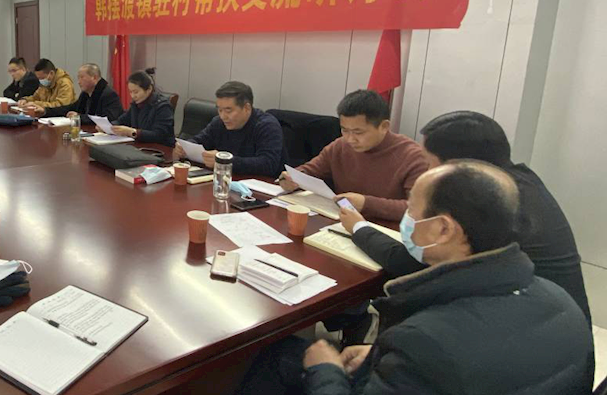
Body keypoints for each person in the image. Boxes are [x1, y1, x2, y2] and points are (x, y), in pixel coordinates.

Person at [163, 161, 592, 395]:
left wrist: (327, 370)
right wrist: (380, 356)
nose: (404, 220)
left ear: (444, 230)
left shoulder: (431, 343)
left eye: (412, 211)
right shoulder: (560, 301)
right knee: (292, 354)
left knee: (298, 363)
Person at [340, 110, 591, 323]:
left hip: (523, 332)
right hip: (555, 326)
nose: (427, 173)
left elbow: (413, 263)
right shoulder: (517, 182)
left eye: (430, 163)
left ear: (459, 167)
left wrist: (360, 228)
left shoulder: (482, 203)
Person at [278, 89, 428, 221]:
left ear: (384, 126)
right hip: (340, 223)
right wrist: (292, 178)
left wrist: (367, 204)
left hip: (386, 231)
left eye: (358, 132)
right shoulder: (340, 146)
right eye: (344, 130)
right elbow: (310, 170)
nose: (350, 139)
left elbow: (420, 210)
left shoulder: (413, 157)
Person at [174, 81, 283, 175]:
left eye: (228, 110)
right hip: (225, 180)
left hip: (261, 186)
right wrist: (184, 148)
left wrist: (225, 161)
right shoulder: (219, 122)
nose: (223, 116)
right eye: (220, 110)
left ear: (247, 108)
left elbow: (268, 164)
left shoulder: (267, 126)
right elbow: (199, 141)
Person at [22, 63, 123, 123]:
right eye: (78, 78)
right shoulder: (85, 94)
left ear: (94, 77)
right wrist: (45, 111)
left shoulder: (108, 95)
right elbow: (69, 108)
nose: (78, 82)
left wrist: (79, 117)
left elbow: (107, 119)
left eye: (82, 77)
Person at [111, 70, 175, 146]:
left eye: (136, 92)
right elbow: (122, 120)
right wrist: (109, 126)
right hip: (141, 145)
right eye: (130, 92)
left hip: (161, 148)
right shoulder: (135, 105)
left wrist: (133, 132)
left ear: (149, 89)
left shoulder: (163, 106)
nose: (132, 96)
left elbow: (159, 135)